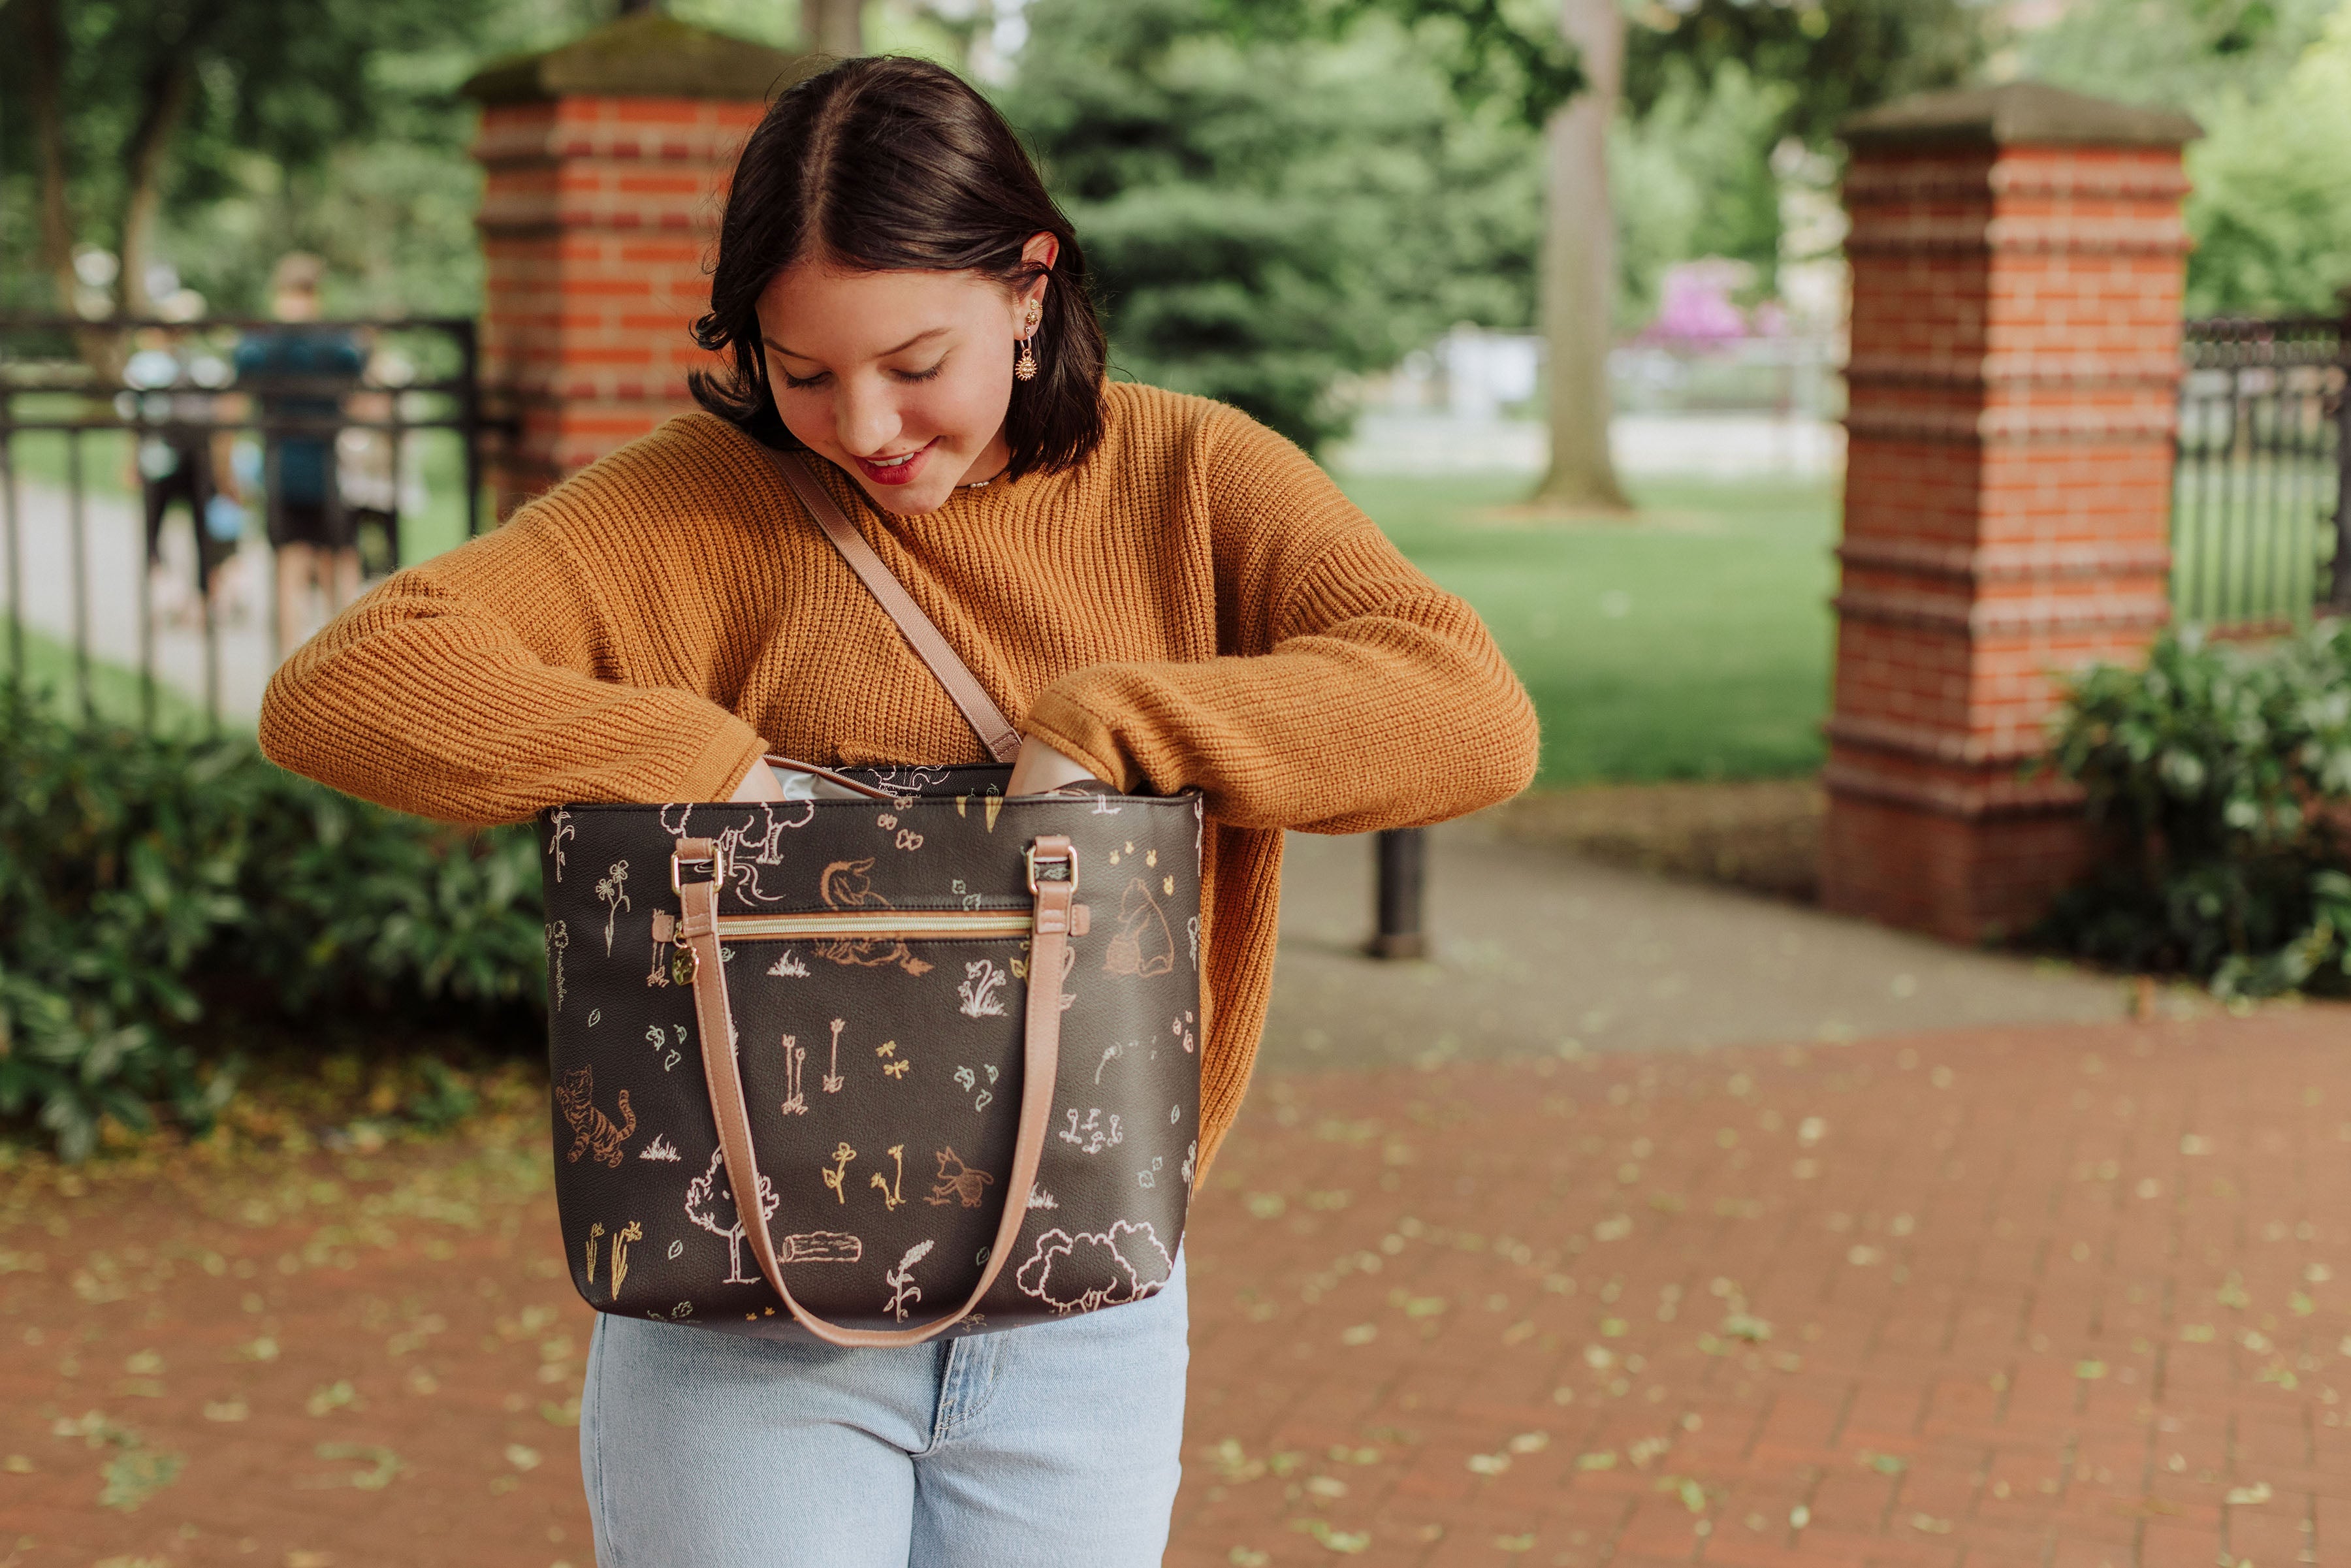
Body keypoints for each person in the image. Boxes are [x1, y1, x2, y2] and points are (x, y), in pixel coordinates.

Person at [257, 56, 1537, 1568]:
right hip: (741, 1317)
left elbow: (1470, 710)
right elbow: (340, 685)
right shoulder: (692, 508)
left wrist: (1127, 723)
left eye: (913, 358)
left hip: (1086, 1308)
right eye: (802, 372)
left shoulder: (1193, 480)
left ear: (1027, 286)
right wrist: (683, 753)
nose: (864, 424)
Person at [234, 253, 365, 654]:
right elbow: (360, 398)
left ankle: (289, 656)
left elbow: (235, 405)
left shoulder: (260, 345)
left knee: (288, 563)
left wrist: (227, 468)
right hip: (327, 463)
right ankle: (339, 654)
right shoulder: (339, 345)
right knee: (336, 561)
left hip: (281, 462)